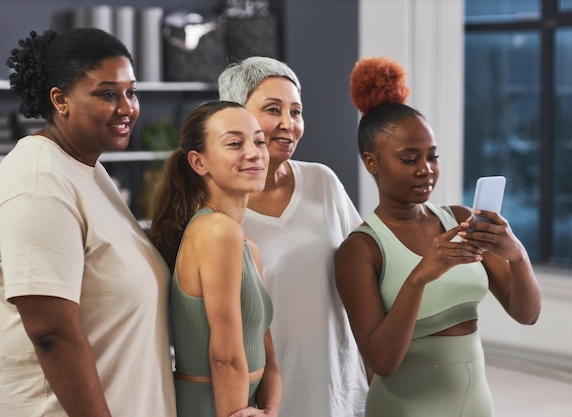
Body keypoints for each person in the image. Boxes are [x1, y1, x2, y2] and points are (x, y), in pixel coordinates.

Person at [0, 28, 176, 417]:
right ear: (60, 100)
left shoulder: (86, 170)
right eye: (107, 93)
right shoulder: (39, 186)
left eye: (131, 92)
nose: (127, 107)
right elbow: (52, 334)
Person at [335, 56, 542, 417]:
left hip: (476, 403)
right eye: (409, 158)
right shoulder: (360, 249)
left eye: (433, 156)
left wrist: (517, 255)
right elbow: (382, 361)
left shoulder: (461, 220)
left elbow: (527, 314)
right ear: (372, 162)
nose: (426, 170)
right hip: (405, 407)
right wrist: (420, 277)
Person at [218, 56, 368, 416]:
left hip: (338, 389)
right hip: (266, 401)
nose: (289, 124)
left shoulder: (322, 182)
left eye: (296, 111)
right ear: (235, 115)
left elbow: (370, 273)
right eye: (273, 109)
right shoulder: (219, 213)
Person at [148, 100, 281, 417]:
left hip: (245, 408)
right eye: (235, 143)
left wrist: (270, 410)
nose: (253, 152)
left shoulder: (248, 246)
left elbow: (268, 358)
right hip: (213, 408)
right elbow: (226, 357)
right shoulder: (216, 231)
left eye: (259, 141)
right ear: (199, 162)